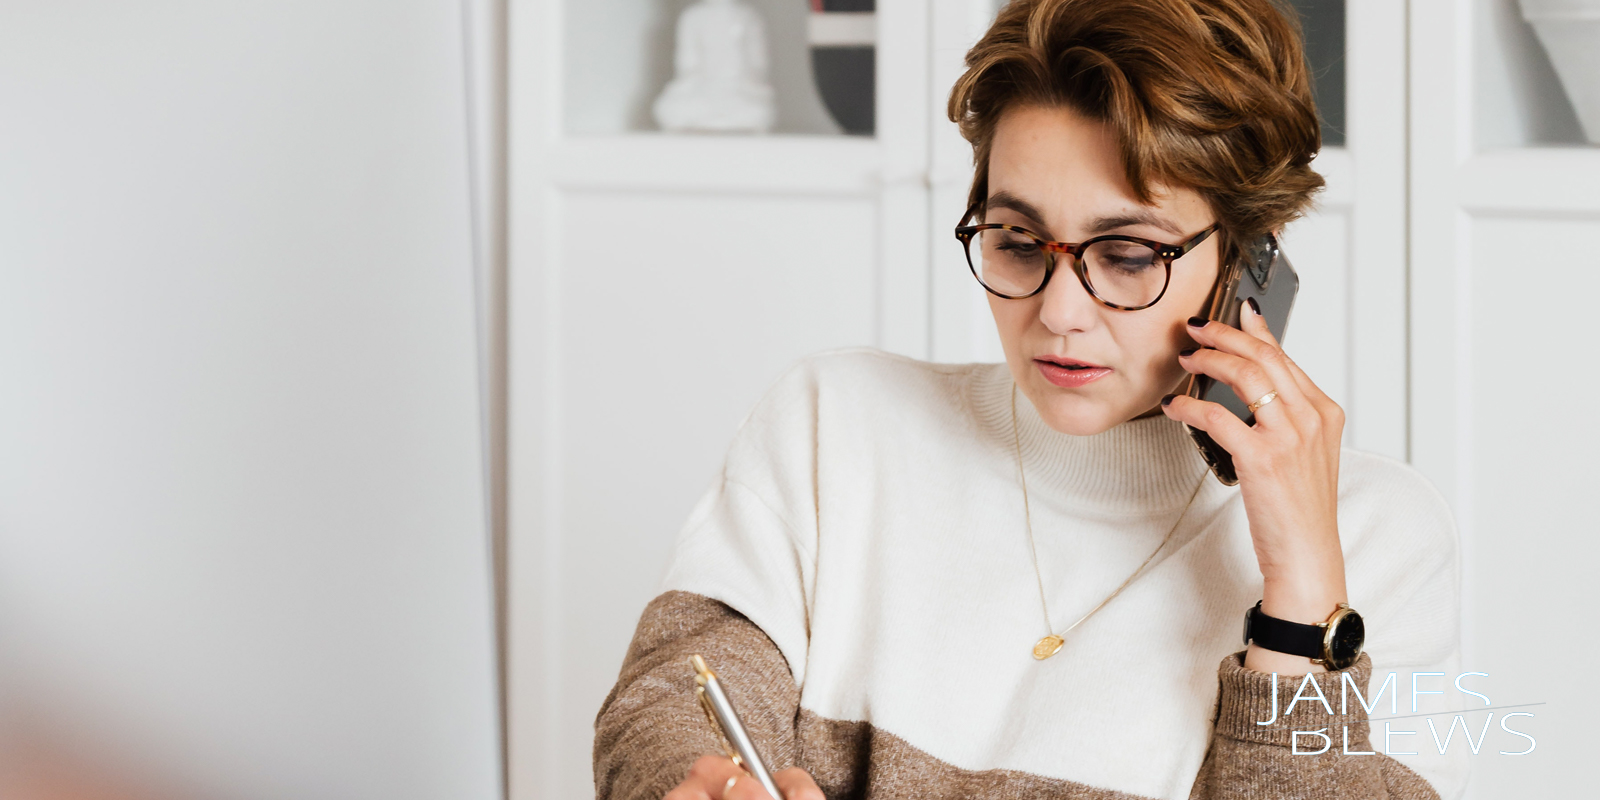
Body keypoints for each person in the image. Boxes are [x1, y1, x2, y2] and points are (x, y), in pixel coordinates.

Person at [595, 1, 1467, 798]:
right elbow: (671, 702)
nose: (1057, 313)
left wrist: (1302, 605)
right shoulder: (836, 427)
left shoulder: (1374, 539)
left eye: (1127, 255)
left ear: (1250, 261)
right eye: (1016, 241)